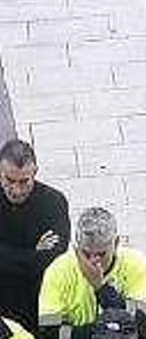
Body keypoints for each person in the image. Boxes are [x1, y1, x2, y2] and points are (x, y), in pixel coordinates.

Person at [37, 207, 146, 339]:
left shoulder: (135, 263)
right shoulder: (58, 270)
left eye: (101, 254)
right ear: (76, 248)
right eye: (86, 254)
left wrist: (101, 289)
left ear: (116, 243)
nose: (93, 261)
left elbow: (141, 321)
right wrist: (93, 333)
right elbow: (48, 332)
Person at [0, 139, 70, 332]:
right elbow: (40, 260)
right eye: (9, 180)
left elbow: (54, 259)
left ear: (35, 172)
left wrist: (9, 255)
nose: (16, 190)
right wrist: (33, 252)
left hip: (40, 303)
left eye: (24, 181)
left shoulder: (53, 202)